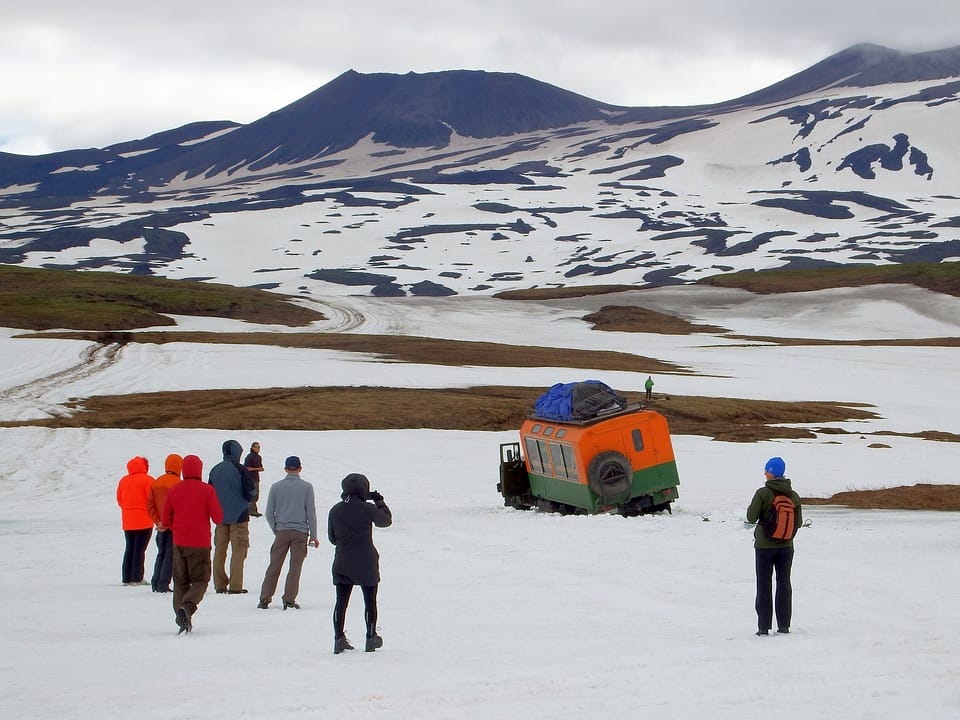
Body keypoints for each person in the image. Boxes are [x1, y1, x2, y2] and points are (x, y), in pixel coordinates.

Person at [327, 473, 392, 654]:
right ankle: (371, 636)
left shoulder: (335, 510)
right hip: (366, 560)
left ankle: (338, 638)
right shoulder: (367, 508)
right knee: (370, 601)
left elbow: (332, 538)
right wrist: (380, 502)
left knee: (341, 602)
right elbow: (385, 521)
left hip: (343, 559)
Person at [161, 454, 223, 634]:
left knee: (180, 581)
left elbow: (165, 519)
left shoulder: (174, 490)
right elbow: (218, 517)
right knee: (200, 580)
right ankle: (187, 608)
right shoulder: (207, 490)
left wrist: (177, 528)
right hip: (200, 543)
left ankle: (181, 616)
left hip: (179, 542)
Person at [746, 456, 803, 636]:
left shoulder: (763, 493)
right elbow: (799, 523)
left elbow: (751, 517)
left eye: (767, 470)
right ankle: (784, 626)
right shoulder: (793, 496)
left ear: (772, 473)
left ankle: (763, 628)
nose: (765, 473)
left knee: (764, 584)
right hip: (786, 547)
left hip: (764, 546)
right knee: (784, 583)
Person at [257, 455, 320, 610]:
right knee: (295, 567)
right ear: (300, 468)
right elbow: (311, 512)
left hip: (282, 531)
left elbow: (269, 512)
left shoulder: (276, 487)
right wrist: (313, 535)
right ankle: (289, 599)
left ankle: (265, 598)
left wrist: (276, 529)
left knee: (274, 565)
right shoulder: (307, 487)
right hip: (300, 532)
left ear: (285, 469)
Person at [209, 439, 256, 594]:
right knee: (238, 551)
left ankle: (219, 584)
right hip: (239, 516)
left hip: (220, 517)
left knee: (220, 550)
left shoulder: (215, 470)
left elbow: (210, 492)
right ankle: (235, 586)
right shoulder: (241, 470)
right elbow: (250, 493)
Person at [116, 456, 155, 586]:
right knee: (139, 550)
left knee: (130, 548)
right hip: (144, 520)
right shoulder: (148, 480)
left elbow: (120, 499)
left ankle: (126, 577)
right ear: (145, 466)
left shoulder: (123, 481)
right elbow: (151, 499)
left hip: (128, 520)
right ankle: (137, 577)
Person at [146, 453, 182, 593]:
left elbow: (150, 505)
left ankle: (155, 581)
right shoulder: (178, 484)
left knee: (160, 553)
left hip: (160, 526)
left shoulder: (156, 482)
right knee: (170, 555)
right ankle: (163, 583)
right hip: (172, 526)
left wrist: (158, 521)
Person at [244, 441, 265, 517]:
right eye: (256, 447)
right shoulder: (249, 457)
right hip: (250, 478)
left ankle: (252, 509)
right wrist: (256, 468)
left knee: (256, 494)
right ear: (252, 448)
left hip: (256, 478)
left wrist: (259, 469)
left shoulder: (258, 457)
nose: (258, 449)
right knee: (252, 494)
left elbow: (260, 467)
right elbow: (246, 468)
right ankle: (251, 510)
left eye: (259, 447)